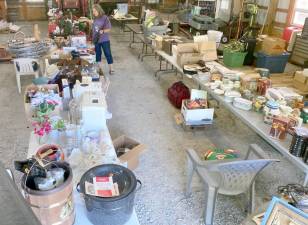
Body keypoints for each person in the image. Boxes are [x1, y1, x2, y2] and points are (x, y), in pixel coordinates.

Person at [92, 4, 114, 75]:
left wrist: (103, 31)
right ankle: (99, 69)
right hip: (96, 39)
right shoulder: (94, 18)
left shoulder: (105, 18)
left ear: (98, 10)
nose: (93, 13)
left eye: (94, 11)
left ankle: (111, 68)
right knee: (98, 54)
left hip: (104, 39)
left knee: (108, 54)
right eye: (93, 11)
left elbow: (109, 29)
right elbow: (94, 28)